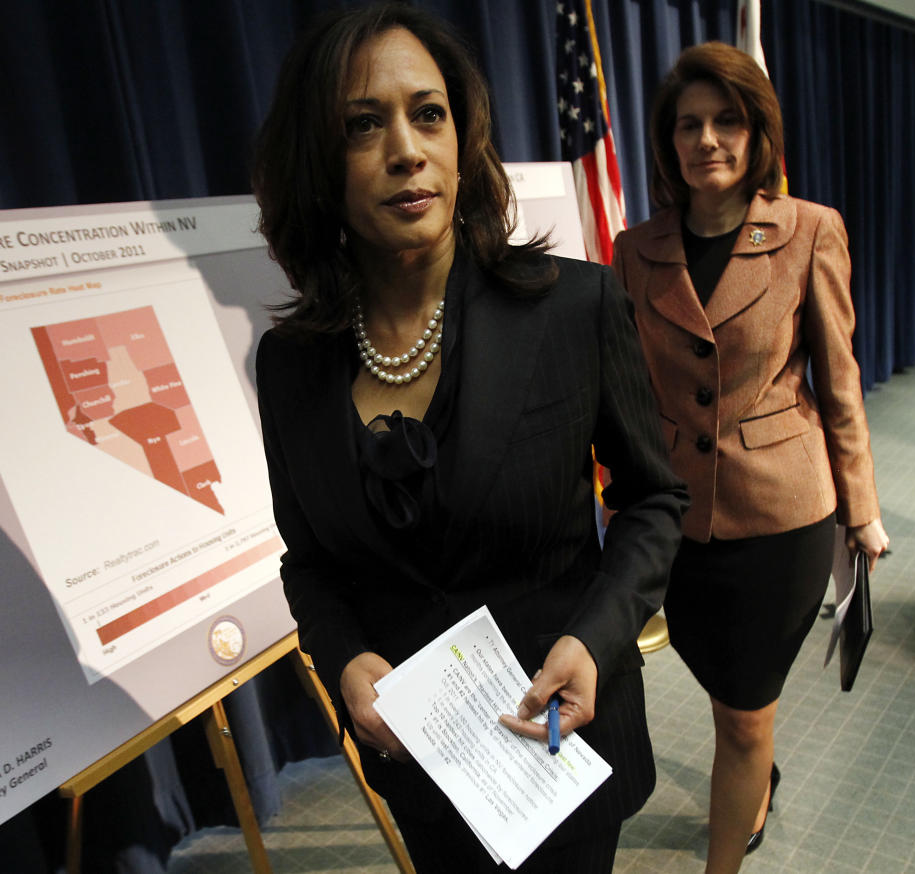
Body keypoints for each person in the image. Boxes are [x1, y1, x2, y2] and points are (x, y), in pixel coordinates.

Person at [250, 4, 688, 871]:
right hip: (420, 762)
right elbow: (309, 560)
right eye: (362, 125)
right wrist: (344, 662)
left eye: (429, 114)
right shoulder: (291, 365)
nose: (405, 149)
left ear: (462, 140)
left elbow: (654, 500)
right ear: (319, 164)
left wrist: (596, 638)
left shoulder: (573, 308)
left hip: (558, 732)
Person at [611, 42, 891, 874]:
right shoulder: (635, 249)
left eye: (726, 121)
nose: (707, 140)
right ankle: (753, 763)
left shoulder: (810, 230)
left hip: (781, 518)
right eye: (689, 125)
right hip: (674, 520)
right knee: (723, 690)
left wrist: (864, 507)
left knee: (744, 715)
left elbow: (840, 383)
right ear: (668, 142)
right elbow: (624, 390)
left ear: (756, 131)